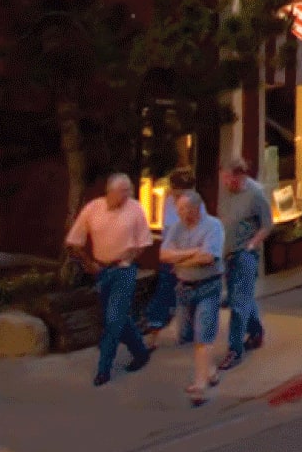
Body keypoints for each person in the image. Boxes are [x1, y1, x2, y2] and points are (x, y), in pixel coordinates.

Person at [65, 173, 153, 386]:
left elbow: (144, 241)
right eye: (123, 191)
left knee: (114, 320)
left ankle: (104, 368)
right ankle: (141, 352)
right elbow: (74, 241)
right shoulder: (93, 208)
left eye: (128, 190)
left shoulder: (134, 209)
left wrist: (130, 255)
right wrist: (88, 263)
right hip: (102, 270)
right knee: (117, 317)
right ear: (110, 191)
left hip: (124, 270)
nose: (127, 195)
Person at [158, 191, 225, 405]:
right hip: (185, 288)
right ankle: (210, 370)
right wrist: (191, 253)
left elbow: (207, 257)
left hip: (208, 286)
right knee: (186, 335)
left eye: (185, 210)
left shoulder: (213, 226)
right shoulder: (177, 228)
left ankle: (199, 386)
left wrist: (179, 261)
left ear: (196, 208)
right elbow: (164, 255)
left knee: (202, 335)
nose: (181, 214)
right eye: (178, 210)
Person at [218, 159, 273, 371]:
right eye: (223, 178)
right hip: (228, 254)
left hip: (245, 255)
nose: (225, 183)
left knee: (238, 303)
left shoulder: (255, 194)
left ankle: (234, 350)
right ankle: (256, 331)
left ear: (239, 175)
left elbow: (267, 225)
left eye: (228, 178)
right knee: (238, 298)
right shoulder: (227, 194)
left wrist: (252, 244)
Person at [142, 167, 197, 342]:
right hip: (171, 253)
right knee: (166, 291)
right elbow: (168, 229)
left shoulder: (193, 204)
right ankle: (154, 331)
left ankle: (188, 329)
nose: (179, 192)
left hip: (186, 254)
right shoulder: (168, 201)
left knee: (186, 292)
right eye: (178, 189)